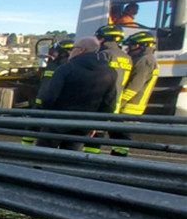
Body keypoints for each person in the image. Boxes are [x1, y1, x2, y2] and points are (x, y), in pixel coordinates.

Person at [37, 37, 118, 150]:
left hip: (57, 121)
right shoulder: (110, 72)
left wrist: (48, 114)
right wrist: (97, 124)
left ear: (82, 50)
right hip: (83, 124)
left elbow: (49, 97)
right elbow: (109, 103)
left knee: (43, 154)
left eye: (73, 48)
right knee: (71, 157)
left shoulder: (66, 68)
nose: (71, 52)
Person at [108, 32, 160, 156]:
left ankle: (118, 160)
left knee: (121, 135)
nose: (127, 49)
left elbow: (134, 87)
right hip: (131, 105)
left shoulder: (144, 61)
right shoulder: (147, 59)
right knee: (117, 134)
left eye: (130, 46)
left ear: (140, 46)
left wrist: (119, 103)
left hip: (130, 106)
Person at [86, 24, 132, 154]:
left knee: (94, 134)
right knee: (119, 134)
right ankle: (119, 159)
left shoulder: (103, 55)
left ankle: (88, 161)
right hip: (116, 102)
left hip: (101, 101)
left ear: (104, 38)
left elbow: (97, 80)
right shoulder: (127, 58)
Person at [22, 39, 73, 145]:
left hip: (48, 107)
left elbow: (48, 88)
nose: (52, 54)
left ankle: (27, 152)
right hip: (48, 106)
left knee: (40, 134)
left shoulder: (60, 67)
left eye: (55, 51)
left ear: (63, 53)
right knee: (33, 131)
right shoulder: (62, 66)